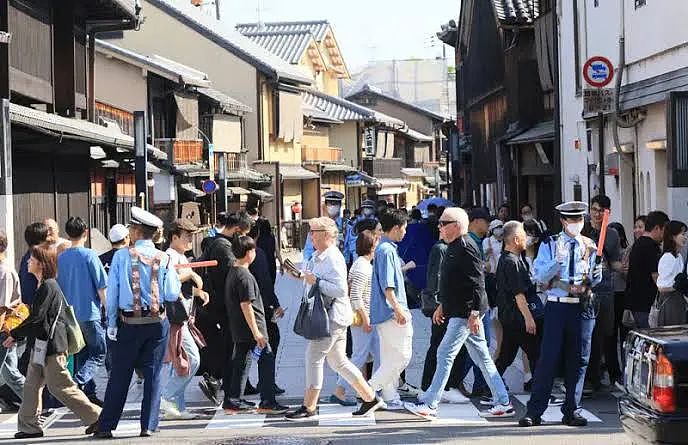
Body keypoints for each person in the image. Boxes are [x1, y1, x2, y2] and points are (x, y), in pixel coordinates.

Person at [405, 207, 514, 421]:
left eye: (443, 223)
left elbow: (477, 284)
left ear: (456, 226)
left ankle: (429, 403)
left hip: (465, 313)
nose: (439, 227)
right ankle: (503, 401)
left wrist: (474, 313)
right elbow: (452, 284)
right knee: (481, 357)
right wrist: (442, 306)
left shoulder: (466, 247)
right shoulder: (453, 246)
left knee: (445, 353)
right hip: (458, 310)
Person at [94, 207, 182, 439]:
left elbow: (113, 294)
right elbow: (172, 293)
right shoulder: (164, 258)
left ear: (137, 231)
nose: (130, 231)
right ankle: (148, 425)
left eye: (132, 228)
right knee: (153, 374)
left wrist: (111, 323)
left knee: (120, 375)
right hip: (156, 321)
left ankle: (106, 426)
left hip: (128, 321)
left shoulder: (122, 256)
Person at [285, 217, 384, 421]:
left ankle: (309, 405)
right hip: (331, 317)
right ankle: (370, 397)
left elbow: (340, 289)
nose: (311, 236)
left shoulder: (333, 257)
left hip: (331, 318)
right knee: (339, 362)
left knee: (314, 358)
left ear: (327, 236)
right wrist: (302, 276)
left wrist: (316, 281)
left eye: (315, 232)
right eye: (311, 232)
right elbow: (315, 280)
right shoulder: (318, 255)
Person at [519, 201, 602, 428]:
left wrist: (595, 276)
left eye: (579, 220)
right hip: (557, 305)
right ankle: (535, 411)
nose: (576, 224)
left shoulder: (590, 245)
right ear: (564, 221)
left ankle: (572, 410)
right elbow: (540, 276)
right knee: (549, 358)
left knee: (579, 359)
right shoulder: (550, 243)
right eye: (572, 220)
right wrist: (558, 261)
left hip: (582, 307)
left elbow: (594, 280)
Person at [6, 247, 100, 439]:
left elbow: (38, 318)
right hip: (41, 345)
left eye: (31, 260)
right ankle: (29, 426)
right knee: (31, 385)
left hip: (52, 347)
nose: (27, 262)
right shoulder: (43, 285)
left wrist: (15, 334)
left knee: (61, 386)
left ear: (40, 263)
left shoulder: (49, 286)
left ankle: (97, 417)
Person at [223, 234, 288, 415]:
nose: (255, 253)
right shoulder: (245, 276)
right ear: (248, 253)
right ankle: (267, 400)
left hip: (239, 327)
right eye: (253, 250)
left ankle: (233, 399)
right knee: (266, 359)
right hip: (252, 328)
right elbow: (246, 305)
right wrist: (257, 332)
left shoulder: (234, 271)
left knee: (241, 362)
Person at [196, 212, 253, 405]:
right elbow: (232, 280)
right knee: (229, 350)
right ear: (237, 230)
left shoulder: (216, 243)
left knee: (226, 349)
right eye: (244, 234)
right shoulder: (224, 248)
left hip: (215, 308)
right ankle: (227, 392)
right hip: (221, 310)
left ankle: (224, 387)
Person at [364, 209, 413, 411]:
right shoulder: (387, 251)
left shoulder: (384, 248)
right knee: (402, 355)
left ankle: (389, 395)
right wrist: (398, 310)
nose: (405, 232)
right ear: (396, 228)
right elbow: (388, 285)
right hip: (392, 312)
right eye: (404, 229)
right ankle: (368, 390)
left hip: (387, 312)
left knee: (390, 356)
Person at [160, 219, 209, 421]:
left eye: (191, 235)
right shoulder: (169, 256)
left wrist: (198, 292)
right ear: (174, 237)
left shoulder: (180, 256)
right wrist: (190, 275)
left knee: (180, 362)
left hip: (183, 316)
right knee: (192, 359)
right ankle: (167, 396)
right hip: (175, 318)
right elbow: (167, 281)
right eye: (186, 235)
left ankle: (177, 408)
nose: (190, 239)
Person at [56, 217, 108, 406]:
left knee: (80, 354)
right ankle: (78, 382)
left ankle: (88, 394)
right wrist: (110, 313)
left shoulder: (60, 258)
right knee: (99, 352)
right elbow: (102, 288)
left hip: (69, 315)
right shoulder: (90, 255)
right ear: (85, 232)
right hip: (90, 313)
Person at [331, 230, 381, 405]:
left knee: (378, 355)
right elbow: (356, 297)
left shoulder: (362, 264)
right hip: (363, 319)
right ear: (372, 246)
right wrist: (366, 319)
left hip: (367, 318)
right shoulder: (362, 266)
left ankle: (373, 390)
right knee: (359, 357)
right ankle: (340, 390)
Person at [420, 224, 469, 404]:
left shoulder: (453, 248)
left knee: (451, 347)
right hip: (443, 307)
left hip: (451, 305)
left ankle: (444, 385)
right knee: (439, 346)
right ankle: (430, 387)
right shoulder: (441, 249)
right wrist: (440, 304)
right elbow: (437, 278)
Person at [493, 221, 542, 385]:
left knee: (506, 355)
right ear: (515, 239)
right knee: (536, 353)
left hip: (510, 316)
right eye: (523, 235)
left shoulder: (507, 259)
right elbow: (518, 294)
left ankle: (491, 386)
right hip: (518, 317)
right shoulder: (512, 262)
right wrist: (529, 318)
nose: (526, 238)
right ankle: (539, 389)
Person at [582, 195, 623, 393]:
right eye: (595, 209)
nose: (597, 214)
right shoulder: (582, 229)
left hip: (606, 288)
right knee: (588, 333)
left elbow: (615, 261)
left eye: (602, 210)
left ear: (608, 212)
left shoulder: (613, 234)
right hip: (585, 288)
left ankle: (612, 374)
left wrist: (623, 268)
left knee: (607, 333)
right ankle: (591, 377)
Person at [247, 224, 285, 395]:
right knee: (270, 342)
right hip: (260, 306)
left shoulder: (234, 252)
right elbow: (265, 283)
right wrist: (275, 304)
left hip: (241, 306)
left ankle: (243, 384)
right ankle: (266, 383)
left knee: (243, 348)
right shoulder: (256, 253)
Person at [624, 211, 669, 329]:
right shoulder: (650, 247)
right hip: (645, 305)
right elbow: (657, 278)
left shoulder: (639, 243)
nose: (665, 236)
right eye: (665, 231)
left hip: (636, 303)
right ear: (657, 228)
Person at [0, 230, 26, 405]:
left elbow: (2, 307)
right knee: (9, 373)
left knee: (10, 373)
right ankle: (35, 404)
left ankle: (35, 404)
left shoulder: (5, 272)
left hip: (4, 329)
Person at [654, 220, 688, 327]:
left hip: (679, 301)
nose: (685, 237)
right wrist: (677, 286)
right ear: (673, 237)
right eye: (682, 234)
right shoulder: (667, 257)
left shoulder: (679, 257)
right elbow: (661, 286)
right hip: (670, 303)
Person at [607, 221, 629, 387]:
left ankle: (626, 372)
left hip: (623, 294)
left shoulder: (625, 252)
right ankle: (614, 372)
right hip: (609, 294)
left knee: (625, 335)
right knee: (610, 335)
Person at [19, 223, 50, 307]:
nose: (49, 239)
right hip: (37, 309)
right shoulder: (37, 258)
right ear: (41, 240)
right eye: (47, 236)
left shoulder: (26, 257)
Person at [343, 200, 377, 267]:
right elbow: (350, 241)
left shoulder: (376, 222)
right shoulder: (355, 222)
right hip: (358, 253)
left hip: (373, 252)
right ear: (362, 210)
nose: (367, 210)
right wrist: (349, 257)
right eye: (366, 208)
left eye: (369, 208)